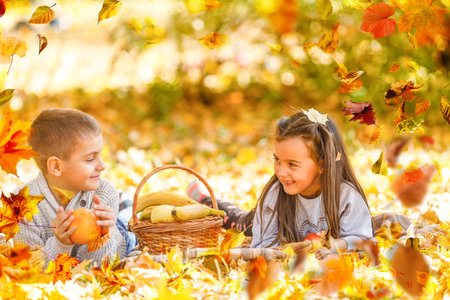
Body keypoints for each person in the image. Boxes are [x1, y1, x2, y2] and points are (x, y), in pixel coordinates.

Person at [188, 109, 374, 259]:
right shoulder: (275, 194)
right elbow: (263, 247)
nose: (280, 172)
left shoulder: (346, 197)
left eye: (292, 164)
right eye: (277, 159)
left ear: (322, 164)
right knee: (237, 221)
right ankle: (203, 197)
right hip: (262, 222)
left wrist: (336, 247)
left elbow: (363, 240)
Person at [13, 108, 135, 267]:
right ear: (56, 166)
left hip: (118, 231)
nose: (102, 166)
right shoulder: (20, 205)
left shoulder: (104, 192)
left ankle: (124, 206)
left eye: (100, 155)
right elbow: (29, 266)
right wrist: (60, 245)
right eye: (91, 159)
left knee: (129, 231)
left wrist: (103, 237)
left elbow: (99, 267)